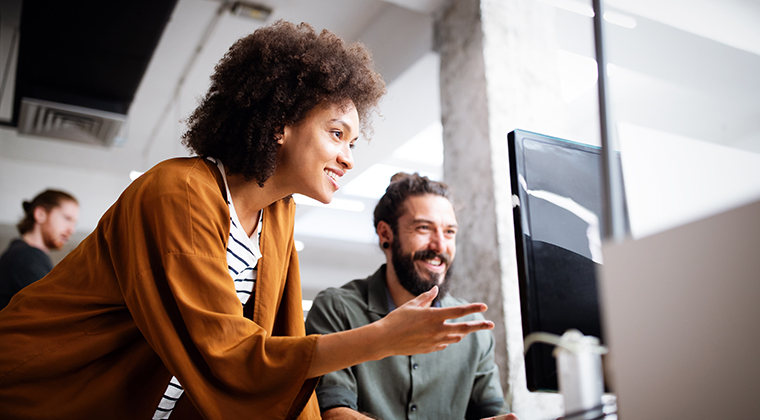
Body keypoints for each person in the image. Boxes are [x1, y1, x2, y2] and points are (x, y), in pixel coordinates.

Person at [0, 21, 495, 420]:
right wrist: (382, 337)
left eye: (353, 143)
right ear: (280, 123)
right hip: (38, 390)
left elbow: (278, 348)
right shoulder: (180, 192)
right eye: (337, 133)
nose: (347, 158)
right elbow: (228, 354)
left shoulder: (277, 216)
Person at [306, 173, 519, 420]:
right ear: (386, 234)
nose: (440, 246)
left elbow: (494, 414)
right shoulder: (336, 309)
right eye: (424, 228)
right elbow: (333, 413)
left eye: (449, 232)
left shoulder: (474, 331)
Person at [0, 189, 79, 310]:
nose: (71, 230)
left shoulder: (22, 253)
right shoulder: (27, 256)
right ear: (40, 214)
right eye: (67, 218)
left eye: (74, 223)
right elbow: (54, 311)